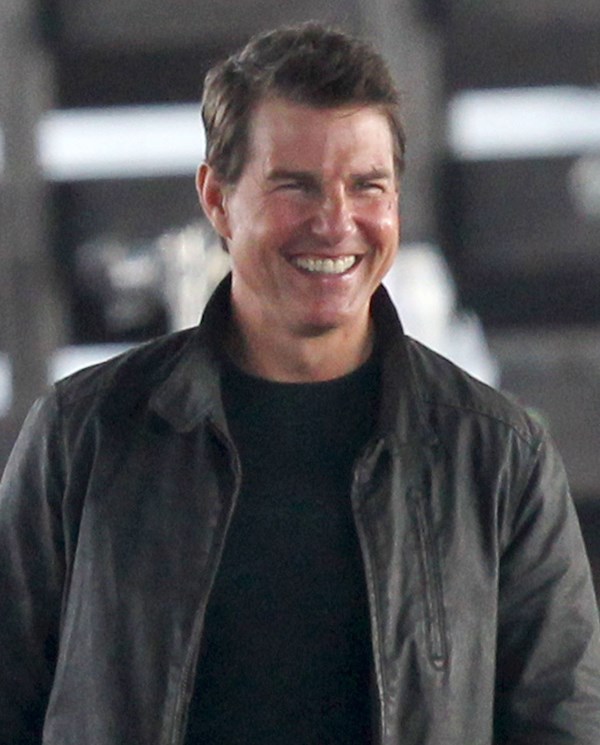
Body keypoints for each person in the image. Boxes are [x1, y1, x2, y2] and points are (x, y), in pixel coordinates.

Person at [1, 22, 599, 745]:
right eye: (296, 186)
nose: (336, 222)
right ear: (217, 199)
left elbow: (561, 725)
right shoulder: (82, 438)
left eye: (367, 186)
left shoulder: (500, 459)